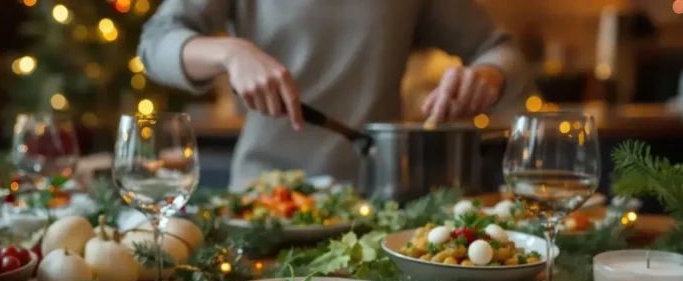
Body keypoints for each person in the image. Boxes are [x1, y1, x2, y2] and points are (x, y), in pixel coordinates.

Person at [139, 0, 529, 190]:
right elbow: (155, 44)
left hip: (378, 204)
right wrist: (231, 52)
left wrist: (488, 75)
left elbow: (502, 49)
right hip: (262, 204)